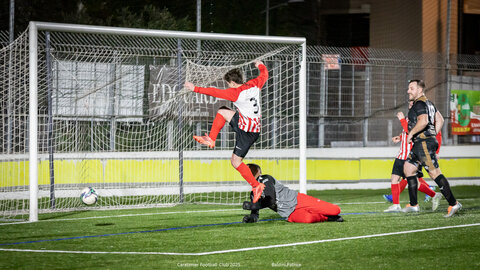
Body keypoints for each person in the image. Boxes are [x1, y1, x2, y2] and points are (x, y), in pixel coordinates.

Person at [184, 60, 267, 203]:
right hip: (247, 125)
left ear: (233, 83)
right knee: (222, 111)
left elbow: (215, 92)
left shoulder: (235, 93)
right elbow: (264, 75)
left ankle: (256, 185)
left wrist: (195, 88)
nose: (228, 86)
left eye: (228, 84)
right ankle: (211, 138)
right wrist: (260, 65)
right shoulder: (254, 84)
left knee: (235, 162)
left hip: (247, 133)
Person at [402, 80, 461, 217]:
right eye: (408, 88)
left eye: (411, 88)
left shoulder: (420, 103)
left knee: (434, 173)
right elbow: (440, 119)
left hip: (423, 143)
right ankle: (413, 205)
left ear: (420, 90)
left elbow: (424, 121)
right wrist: (433, 133)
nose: (408, 91)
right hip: (421, 143)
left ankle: (453, 203)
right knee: (408, 169)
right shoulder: (429, 103)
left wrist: (412, 133)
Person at [383, 104, 442, 213]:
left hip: (410, 156)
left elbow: (411, 131)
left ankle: (434, 195)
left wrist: (401, 120)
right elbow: (406, 133)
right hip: (401, 154)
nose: (410, 105)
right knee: (394, 179)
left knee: (415, 183)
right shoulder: (410, 116)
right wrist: (400, 138)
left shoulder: (420, 118)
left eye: (413, 103)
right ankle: (396, 205)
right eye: (410, 103)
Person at [242, 163, 343, 223]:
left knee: (335, 209)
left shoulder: (265, 178)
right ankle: (328, 218)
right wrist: (251, 218)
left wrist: (252, 206)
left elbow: (270, 200)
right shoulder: (253, 193)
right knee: (308, 219)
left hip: (298, 200)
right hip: (289, 213)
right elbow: (255, 214)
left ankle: (331, 214)